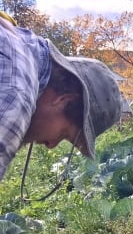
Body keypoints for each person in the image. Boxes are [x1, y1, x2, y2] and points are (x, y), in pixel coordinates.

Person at [0, 13, 125, 182]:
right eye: (64, 134)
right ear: (63, 100)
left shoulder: (18, 43)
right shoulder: (15, 97)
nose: (51, 145)